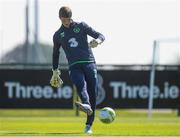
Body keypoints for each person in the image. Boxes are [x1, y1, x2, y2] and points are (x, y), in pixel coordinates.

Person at [50, 6, 105, 134]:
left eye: (68, 19)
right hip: (74, 66)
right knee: (80, 85)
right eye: (64, 20)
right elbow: (55, 54)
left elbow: (101, 35)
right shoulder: (58, 35)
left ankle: (88, 125)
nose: (66, 22)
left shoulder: (81, 26)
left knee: (93, 94)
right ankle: (85, 104)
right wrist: (54, 70)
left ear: (71, 17)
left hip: (89, 63)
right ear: (60, 18)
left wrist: (98, 41)